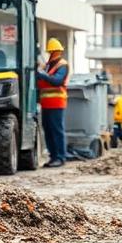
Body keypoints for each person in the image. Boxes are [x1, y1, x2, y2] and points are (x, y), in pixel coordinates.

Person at [37, 38, 70, 168]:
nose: (51, 54)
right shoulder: (48, 65)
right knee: (49, 130)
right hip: (46, 103)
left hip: (56, 102)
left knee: (57, 130)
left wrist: (42, 74)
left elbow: (57, 81)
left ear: (57, 51)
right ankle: (53, 156)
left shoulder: (62, 64)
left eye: (53, 51)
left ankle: (60, 157)